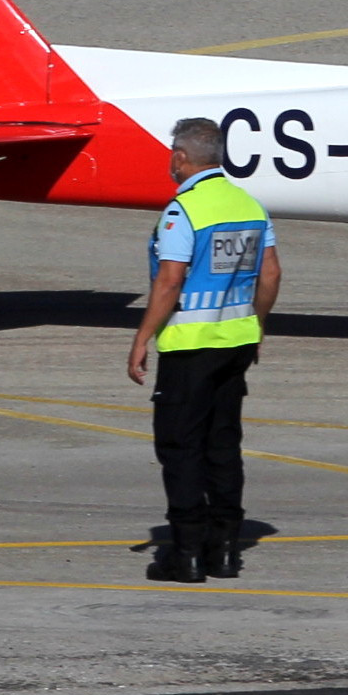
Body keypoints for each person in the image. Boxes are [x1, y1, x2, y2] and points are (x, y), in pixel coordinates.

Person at [126, 116, 281, 583]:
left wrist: (141, 337)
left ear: (180, 157)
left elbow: (170, 280)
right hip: (235, 341)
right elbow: (270, 274)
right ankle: (226, 550)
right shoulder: (249, 205)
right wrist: (255, 325)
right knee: (223, 446)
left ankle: (187, 552)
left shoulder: (184, 210)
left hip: (190, 347)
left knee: (180, 447)